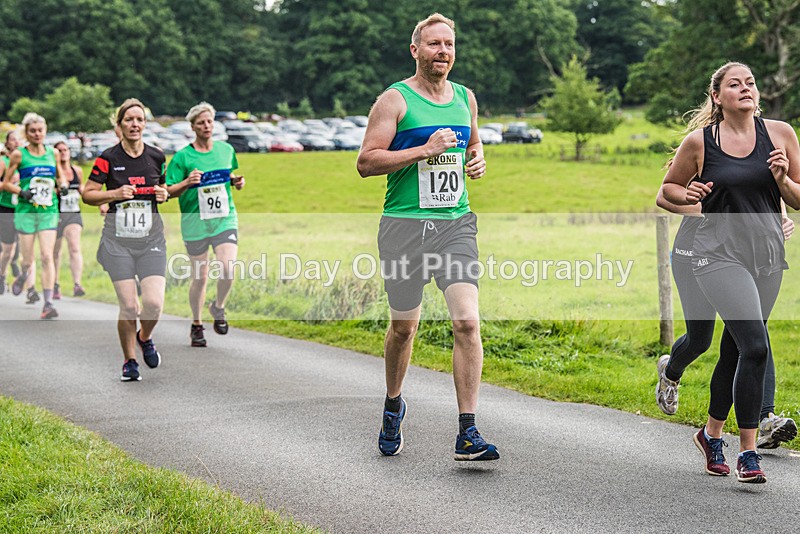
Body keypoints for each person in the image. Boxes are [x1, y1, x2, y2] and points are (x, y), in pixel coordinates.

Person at [356, 13, 498, 461]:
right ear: (415, 49)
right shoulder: (394, 100)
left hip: (455, 224)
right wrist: (423, 150)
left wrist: (476, 159)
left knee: (467, 322)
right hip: (404, 228)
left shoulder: (465, 98)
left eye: (450, 44)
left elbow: (472, 143)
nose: (443, 52)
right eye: (434, 44)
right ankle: (394, 403)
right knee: (403, 328)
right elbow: (366, 161)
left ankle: (467, 431)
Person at [660, 62, 800, 484]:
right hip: (715, 254)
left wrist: (781, 179)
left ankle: (710, 434)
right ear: (717, 97)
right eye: (734, 84)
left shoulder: (781, 134)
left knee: (736, 349)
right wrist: (694, 201)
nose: (746, 89)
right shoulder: (701, 142)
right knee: (755, 345)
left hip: (766, 256)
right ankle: (750, 452)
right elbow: (667, 191)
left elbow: (797, 197)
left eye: (751, 83)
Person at [655, 187, 798, 451]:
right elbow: (664, 196)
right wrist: (714, 215)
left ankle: (766, 418)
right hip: (695, 253)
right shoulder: (702, 147)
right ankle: (670, 371)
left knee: (754, 334)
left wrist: (779, 218)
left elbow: (771, 186)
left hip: (741, 255)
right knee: (700, 340)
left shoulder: (764, 147)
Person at [82, 99, 169, 381]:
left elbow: (162, 186)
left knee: (154, 304)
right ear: (119, 125)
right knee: (130, 306)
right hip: (117, 242)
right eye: (128, 120)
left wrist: (164, 193)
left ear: (145, 124)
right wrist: (114, 194)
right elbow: (88, 193)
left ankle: (145, 336)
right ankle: (130, 360)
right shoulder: (108, 158)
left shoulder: (156, 156)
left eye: (139, 119)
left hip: (151, 239)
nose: (134, 124)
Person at [166, 102, 245, 347]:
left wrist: (236, 182)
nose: (207, 126)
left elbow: (226, 176)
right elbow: (168, 190)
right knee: (199, 277)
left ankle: (218, 306)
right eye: (201, 122)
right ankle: (197, 324)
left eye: (210, 121)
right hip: (195, 224)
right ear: (192, 127)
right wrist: (187, 182)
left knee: (228, 268)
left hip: (224, 219)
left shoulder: (225, 150)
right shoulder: (182, 157)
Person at [1, 114, 66, 318]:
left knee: (47, 255)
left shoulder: (53, 153)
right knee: (28, 260)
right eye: (33, 131)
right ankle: (22, 276)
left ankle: (47, 304)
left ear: (45, 131)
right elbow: (6, 183)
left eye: (40, 130)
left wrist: (62, 186)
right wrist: (21, 192)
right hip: (26, 211)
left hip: (48, 211)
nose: (37, 134)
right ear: (26, 133)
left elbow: (60, 176)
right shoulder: (19, 155)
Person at [52, 141, 86, 298]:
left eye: (65, 150)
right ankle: (55, 283)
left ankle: (77, 284)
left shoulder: (77, 171)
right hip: (57, 214)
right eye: (60, 150)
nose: (64, 152)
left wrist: (101, 203)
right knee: (55, 251)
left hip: (73, 213)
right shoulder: (52, 172)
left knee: (74, 247)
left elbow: (82, 188)